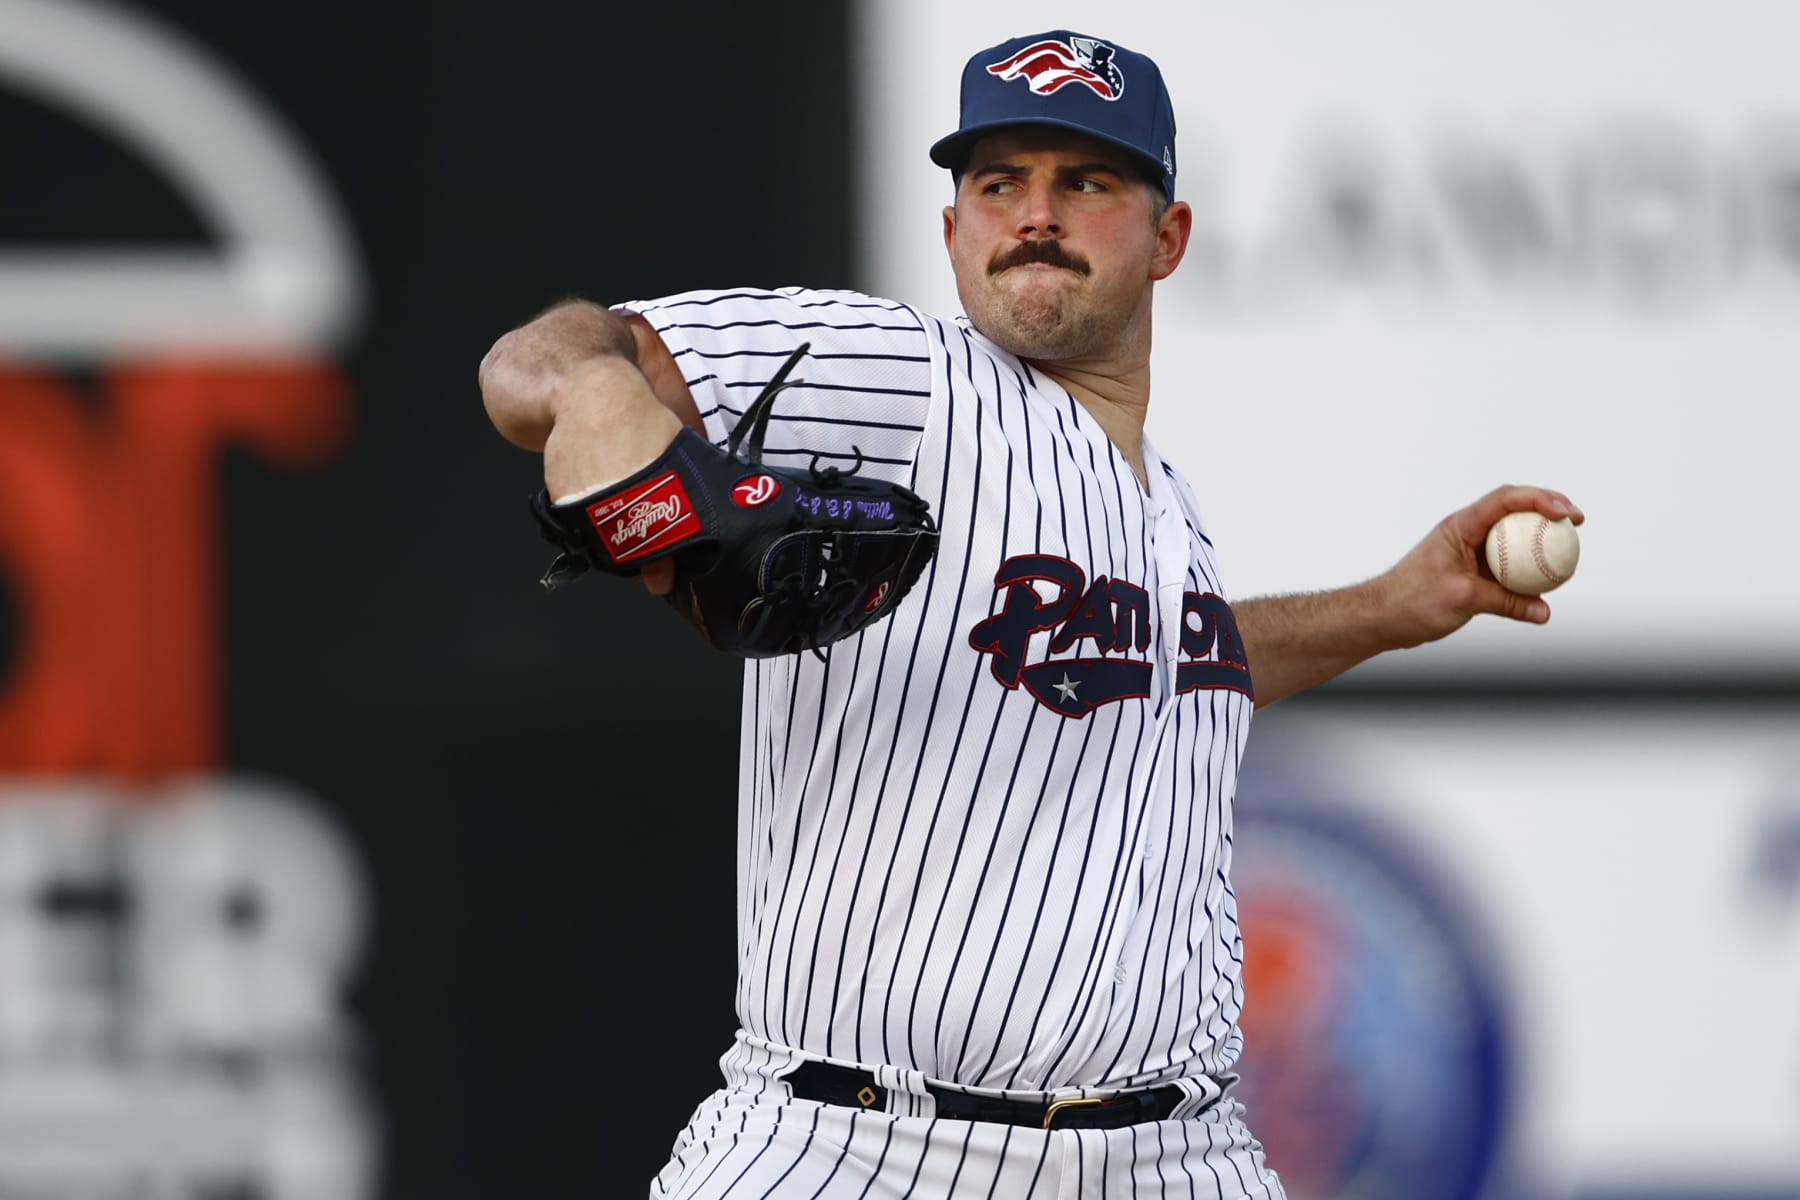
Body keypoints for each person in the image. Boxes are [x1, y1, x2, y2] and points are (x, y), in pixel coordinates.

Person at [479, 29, 1582, 1200]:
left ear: (1169, 237)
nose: (1035, 214)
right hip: (865, 1147)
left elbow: (1174, 671)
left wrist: (1392, 607)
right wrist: (598, 385)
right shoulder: (910, 382)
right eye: (997, 183)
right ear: (952, 231)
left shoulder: (1171, 508)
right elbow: (527, 363)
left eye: (1085, 182)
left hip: (1178, 1154)